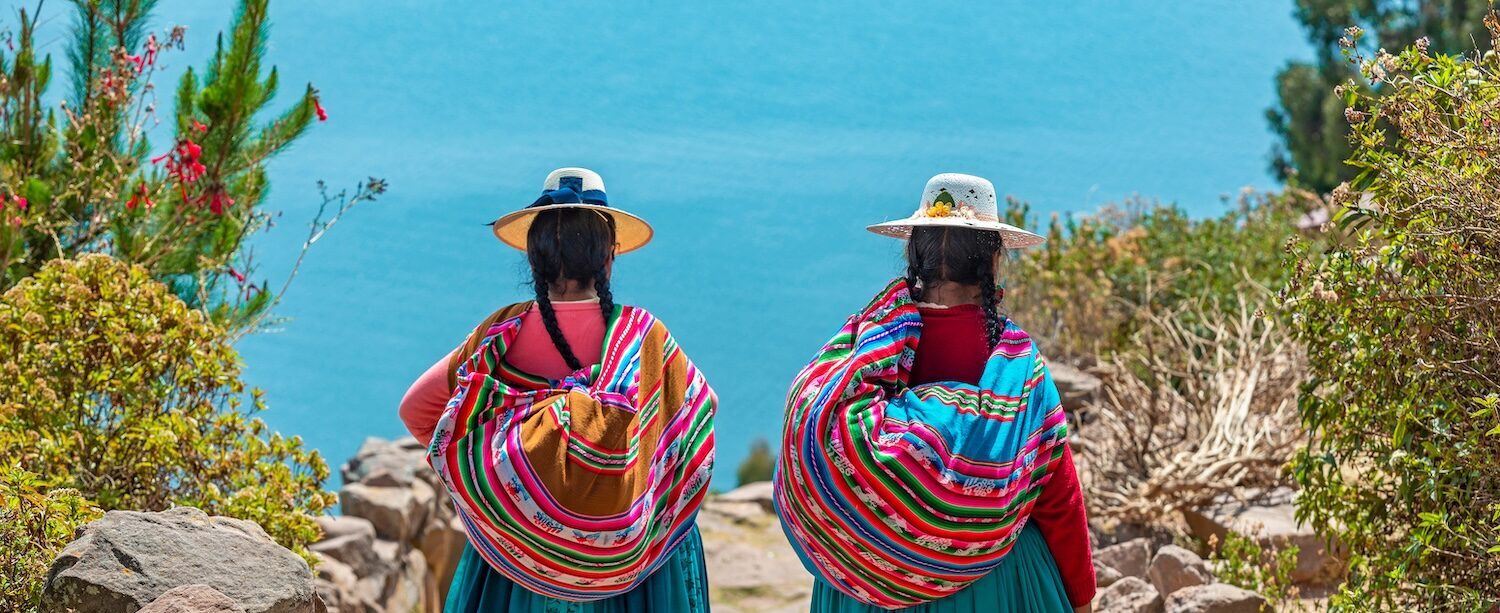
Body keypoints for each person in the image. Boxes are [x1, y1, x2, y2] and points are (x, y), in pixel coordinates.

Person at [774, 173, 1096, 613]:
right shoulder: (1015, 366)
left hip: (871, 577)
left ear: (913, 253)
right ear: (995, 260)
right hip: (994, 581)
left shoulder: (868, 345)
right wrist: (1082, 599)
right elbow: (1059, 499)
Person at [399, 167, 717, 612]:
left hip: (519, 561)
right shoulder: (643, 337)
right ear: (608, 258)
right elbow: (703, 409)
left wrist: (493, 480)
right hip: (633, 567)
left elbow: (417, 409)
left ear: (535, 259)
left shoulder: (498, 335)